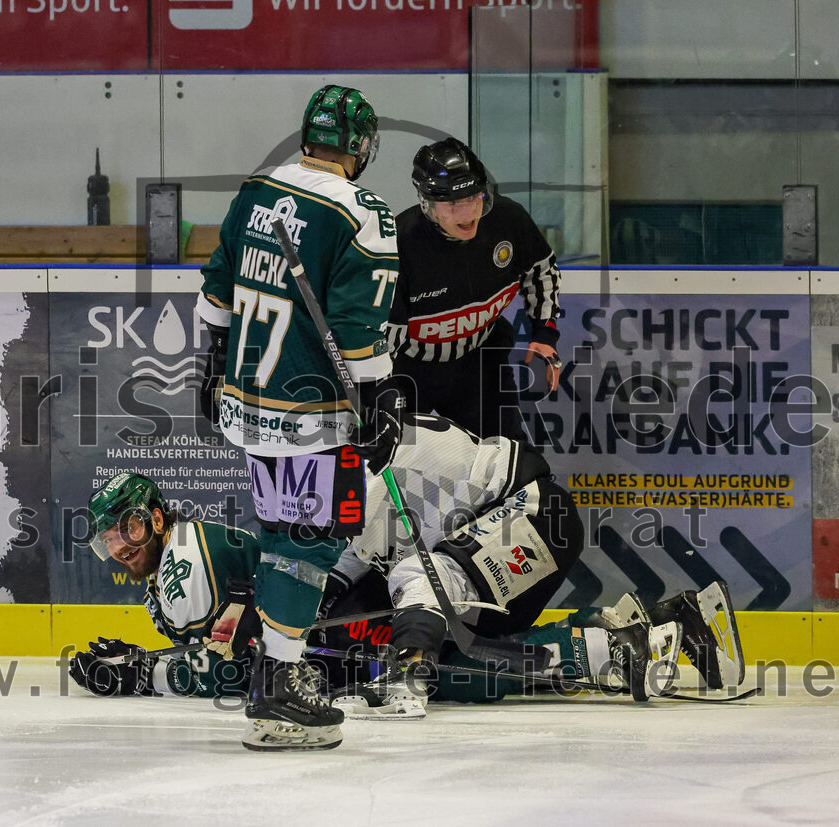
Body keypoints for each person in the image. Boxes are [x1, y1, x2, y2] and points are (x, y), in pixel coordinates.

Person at [69, 422, 744, 716]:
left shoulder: (358, 468)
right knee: (459, 659)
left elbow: (403, 565)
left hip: (533, 509)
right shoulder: (341, 476)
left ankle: (641, 643)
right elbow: (357, 559)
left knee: (426, 625)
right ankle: (634, 634)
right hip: (509, 518)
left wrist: (410, 662)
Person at [191, 84, 403, 750]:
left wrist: (211, 362)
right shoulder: (364, 212)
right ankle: (278, 685)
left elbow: (217, 287)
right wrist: (381, 394)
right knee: (308, 539)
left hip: (248, 399)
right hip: (310, 406)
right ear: (363, 147)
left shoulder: (255, 192)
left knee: (288, 530)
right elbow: (356, 326)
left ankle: (276, 671)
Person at [388, 137, 562, 443]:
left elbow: (542, 271)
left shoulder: (508, 220)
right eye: (453, 203)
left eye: (474, 197)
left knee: (504, 455)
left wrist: (544, 333)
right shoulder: (399, 245)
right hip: (411, 371)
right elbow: (385, 335)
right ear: (427, 203)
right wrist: (377, 392)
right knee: (393, 460)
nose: (467, 213)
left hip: (477, 361)